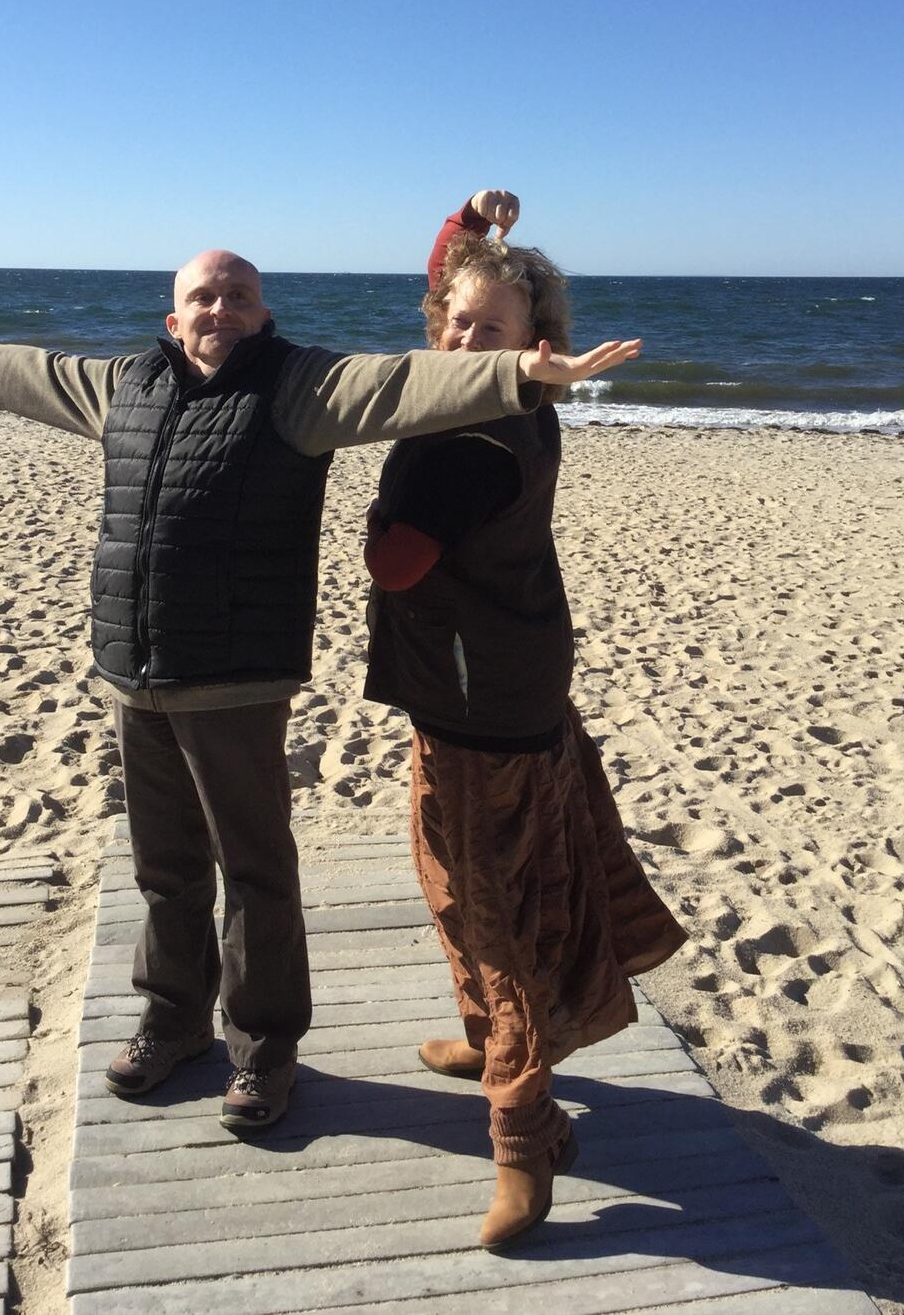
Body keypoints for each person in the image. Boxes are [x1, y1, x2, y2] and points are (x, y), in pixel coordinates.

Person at [0, 246, 641, 1133]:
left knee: (256, 872)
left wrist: (518, 374)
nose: (220, 306)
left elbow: (400, 386)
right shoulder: (128, 385)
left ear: (261, 311)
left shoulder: (296, 388)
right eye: (203, 295)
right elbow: (29, 372)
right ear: (174, 317)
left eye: (239, 294)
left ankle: (265, 1049)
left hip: (236, 674)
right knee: (164, 869)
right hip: (137, 667)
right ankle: (172, 1021)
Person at [362, 194, 686, 1246]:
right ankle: (480, 1038)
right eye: (454, 323)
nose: (463, 339)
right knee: (463, 877)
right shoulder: (512, 402)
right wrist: (462, 223)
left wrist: (382, 470)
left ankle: (522, 1134)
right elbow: (445, 290)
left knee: (487, 909)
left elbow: (393, 562)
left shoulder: (463, 441)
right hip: (512, 675)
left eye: (488, 330)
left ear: (534, 346)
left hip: (478, 706)